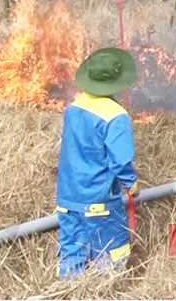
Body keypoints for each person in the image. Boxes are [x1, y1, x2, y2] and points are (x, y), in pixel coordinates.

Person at [55, 47, 139, 279]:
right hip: (99, 201)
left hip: (67, 197)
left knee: (72, 255)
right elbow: (120, 162)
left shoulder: (74, 106)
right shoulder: (116, 116)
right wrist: (131, 183)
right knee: (111, 254)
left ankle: (71, 291)